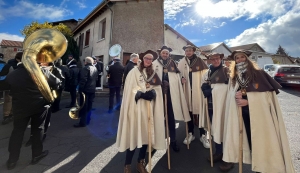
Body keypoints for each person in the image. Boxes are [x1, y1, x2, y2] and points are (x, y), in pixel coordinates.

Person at [222, 50, 295, 173]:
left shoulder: (259, 74)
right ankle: (258, 167)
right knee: (250, 141)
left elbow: (267, 98)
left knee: (261, 142)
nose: (240, 60)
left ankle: (263, 168)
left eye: (242, 57)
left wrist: (248, 101)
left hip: (259, 116)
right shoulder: (235, 76)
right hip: (241, 114)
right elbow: (231, 94)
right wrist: (235, 96)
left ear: (247, 59)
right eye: (237, 58)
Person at [5, 54, 61, 170]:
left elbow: (6, 85)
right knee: (37, 130)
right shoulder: (41, 72)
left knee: (17, 132)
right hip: (39, 106)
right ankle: (36, 155)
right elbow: (57, 83)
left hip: (19, 107)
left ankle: (12, 160)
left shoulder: (13, 73)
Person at [116, 50, 165, 173]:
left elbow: (156, 88)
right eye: (146, 58)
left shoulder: (153, 73)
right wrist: (140, 93)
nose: (148, 61)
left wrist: (154, 92)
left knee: (145, 137)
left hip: (148, 110)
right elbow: (130, 88)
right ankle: (127, 165)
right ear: (142, 59)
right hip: (136, 109)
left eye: (151, 59)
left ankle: (140, 162)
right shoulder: (134, 71)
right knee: (133, 136)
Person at [152, 46, 190, 152]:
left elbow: (177, 76)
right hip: (158, 96)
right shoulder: (155, 63)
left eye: (167, 53)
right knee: (157, 118)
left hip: (170, 96)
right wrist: (160, 84)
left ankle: (173, 140)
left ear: (169, 55)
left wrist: (181, 78)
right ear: (160, 53)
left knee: (171, 119)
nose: (165, 55)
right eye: (164, 53)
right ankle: (155, 142)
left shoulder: (172, 63)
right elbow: (150, 78)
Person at [201, 53, 233, 171]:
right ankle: (219, 152)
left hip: (224, 106)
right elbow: (204, 83)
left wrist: (213, 90)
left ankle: (229, 158)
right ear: (210, 60)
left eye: (217, 59)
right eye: (213, 59)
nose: (215, 61)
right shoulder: (208, 72)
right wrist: (204, 87)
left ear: (221, 59)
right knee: (216, 130)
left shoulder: (227, 71)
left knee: (226, 131)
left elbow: (232, 87)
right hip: (212, 105)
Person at [177, 45, 210, 148]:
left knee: (200, 112)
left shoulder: (200, 61)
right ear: (185, 52)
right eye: (187, 51)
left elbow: (206, 76)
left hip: (198, 91)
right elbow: (177, 75)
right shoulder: (182, 62)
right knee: (189, 113)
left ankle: (203, 135)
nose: (188, 52)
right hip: (187, 91)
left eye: (190, 50)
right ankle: (190, 133)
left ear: (193, 51)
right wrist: (180, 79)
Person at [74, 57, 98, 127]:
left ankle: (82, 122)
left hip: (85, 90)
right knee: (89, 106)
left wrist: (80, 89)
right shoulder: (95, 68)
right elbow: (96, 79)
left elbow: (83, 80)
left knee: (83, 106)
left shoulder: (85, 68)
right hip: (92, 89)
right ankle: (87, 120)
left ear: (86, 62)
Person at [0, 53, 14, 125]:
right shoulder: (8, 66)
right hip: (6, 86)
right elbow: (11, 76)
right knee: (8, 100)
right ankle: (6, 116)